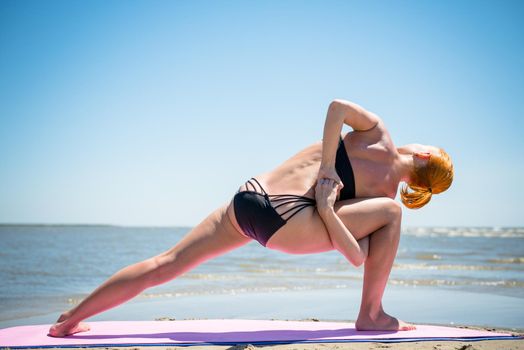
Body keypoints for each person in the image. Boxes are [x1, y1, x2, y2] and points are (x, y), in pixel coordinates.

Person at [49, 99, 453, 337]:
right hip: (287, 219)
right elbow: (356, 255)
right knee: (391, 215)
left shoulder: (377, 133)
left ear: (422, 156)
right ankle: (371, 314)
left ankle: (70, 320)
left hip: (249, 197)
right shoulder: (381, 199)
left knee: (165, 264)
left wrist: (328, 177)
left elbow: (335, 108)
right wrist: (329, 189)